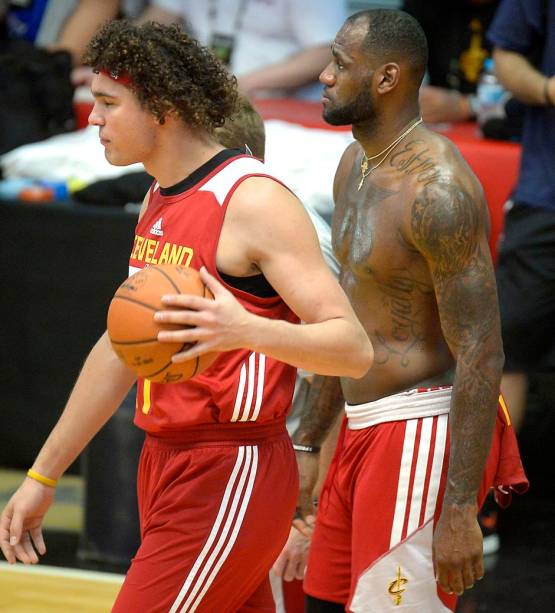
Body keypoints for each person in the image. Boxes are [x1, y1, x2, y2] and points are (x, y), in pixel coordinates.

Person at [0, 20, 373, 613]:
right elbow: (119, 347)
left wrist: (246, 328)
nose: (91, 118)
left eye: (107, 103)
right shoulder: (158, 196)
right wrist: (44, 476)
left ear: (163, 109)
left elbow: (353, 347)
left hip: (231, 465)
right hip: (165, 458)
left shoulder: (253, 200)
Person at [289, 9, 528, 612]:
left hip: (416, 435)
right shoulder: (354, 166)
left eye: (340, 64)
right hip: (355, 429)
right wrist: (310, 443)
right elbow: (345, 320)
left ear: (388, 77)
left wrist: (459, 508)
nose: (322, 75)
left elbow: (482, 347)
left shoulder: (438, 190)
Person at [487, 0, 555, 433]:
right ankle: (491, 492)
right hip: (546, 193)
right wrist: (548, 90)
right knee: (504, 343)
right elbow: (505, 53)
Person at [136, 0, 346, 100]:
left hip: (283, 103)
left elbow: (326, 51)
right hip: (208, 95)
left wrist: (243, 84)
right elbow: (156, 21)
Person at [402, 0, 500, 123]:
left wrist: (469, 106)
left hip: (504, 123)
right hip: (439, 121)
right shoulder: (424, 5)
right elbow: (395, 57)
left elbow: (528, 90)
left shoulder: (521, 7)